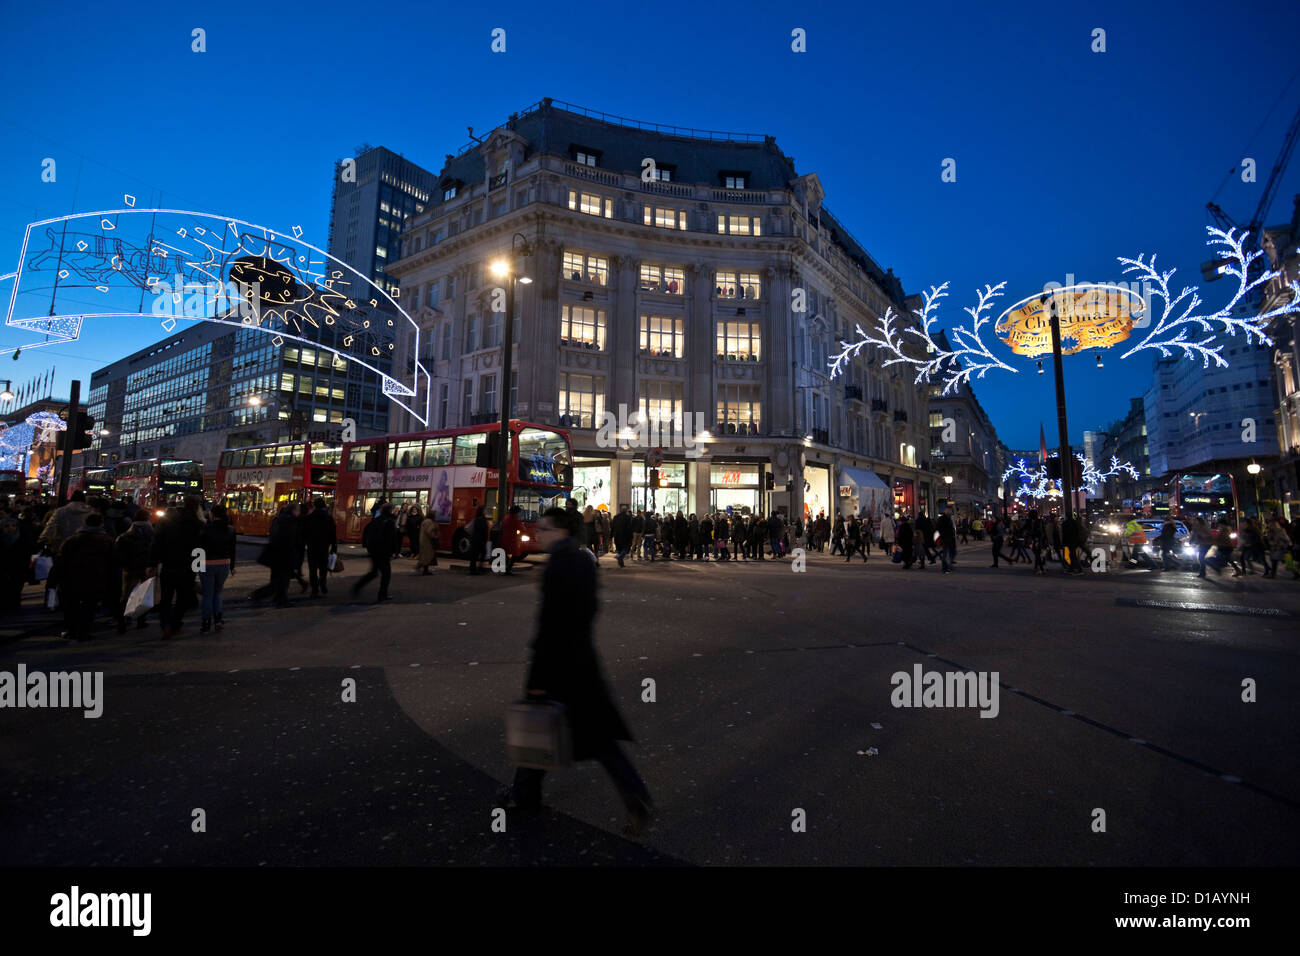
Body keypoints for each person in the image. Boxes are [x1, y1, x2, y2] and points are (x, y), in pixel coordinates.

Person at [498, 507, 653, 837]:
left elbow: (550, 624)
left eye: (545, 529)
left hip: (556, 667)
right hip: (583, 664)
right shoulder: (584, 560)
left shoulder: (558, 564)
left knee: (537, 731)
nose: (539, 534)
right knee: (599, 742)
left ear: (562, 531)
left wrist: (538, 679)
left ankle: (523, 796)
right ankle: (634, 794)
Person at [55, 512, 118, 642]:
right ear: (101, 524)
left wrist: (58, 578)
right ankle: (84, 631)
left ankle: (71, 630)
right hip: (96, 578)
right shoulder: (107, 541)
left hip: (72, 578)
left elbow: (61, 560)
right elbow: (113, 563)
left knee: (71, 606)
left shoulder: (72, 540)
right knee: (89, 607)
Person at [148, 495, 204, 639]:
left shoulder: (167, 521)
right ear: (197, 506)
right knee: (182, 598)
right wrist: (199, 568)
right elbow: (200, 548)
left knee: (166, 598)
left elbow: (157, 542)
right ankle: (176, 622)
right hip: (188, 567)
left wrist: (152, 563)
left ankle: (165, 624)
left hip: (169, 564)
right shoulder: (198, 523)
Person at [251, 502, 301, 608]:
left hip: (275, 555)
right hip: (284, 555)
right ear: (293, 510)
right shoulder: (291, 521)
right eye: (298, 510)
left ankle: (280, 599)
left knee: (278, 579)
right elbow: (290, 541)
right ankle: (258, 595)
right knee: (280, 581)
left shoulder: (278, 519)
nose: (299, 512)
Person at [197, 503, 237, 633]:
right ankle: (218, 619)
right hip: (224, 563)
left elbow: (199, 549)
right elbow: (232, 550)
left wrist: (195, 565)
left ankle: (206, 622)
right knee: (218, 593)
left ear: (212, 514)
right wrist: (232, 566)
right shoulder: (230, 530)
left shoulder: (205, 529)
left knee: (207, 594)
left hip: (207, 563)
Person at [114, 511, 155, 632]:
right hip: (146, 567)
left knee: (125, 594)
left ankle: (122, 621)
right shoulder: (152, 534)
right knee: (143, 594)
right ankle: (141, 620)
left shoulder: (125, 536)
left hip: (129, 567)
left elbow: (117, 552)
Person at [352, 503, 398, 601]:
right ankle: (382, 594)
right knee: (386, 574)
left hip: (375, 551)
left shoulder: (377, 520)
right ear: (390, 510)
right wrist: (392, 552)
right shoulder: (389, 521)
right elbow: (391, 539)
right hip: (383, 552)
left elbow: (371, 535)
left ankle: (357, 587)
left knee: (373, 572)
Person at [303, 497, 338, 595]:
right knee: (323, 568)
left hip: (312, 547)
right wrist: (334, 547)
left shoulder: (309, 518)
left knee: (313, 570)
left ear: (315, 505)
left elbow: (304, 533)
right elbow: (333, 534)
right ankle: (322, 583)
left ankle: (315, 589)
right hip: (324, 547)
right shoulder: (329, 518)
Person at [500, 505, 525, 574]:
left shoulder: (506, 517)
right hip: (513, 539)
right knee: (515, 555)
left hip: (505, 538)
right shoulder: (515, 519)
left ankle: (506, 568)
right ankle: (508, 569)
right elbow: (522, 528)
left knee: (506, 554)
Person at [468, 505, 490, 575]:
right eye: (485, 510)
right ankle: (476, 569)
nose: (486, 511)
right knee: (480, 553)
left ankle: (475, 569)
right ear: (482, 511)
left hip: (476, 539)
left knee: (476, 555)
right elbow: (483, 530)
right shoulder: (481, 519)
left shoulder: (477, 518)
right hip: (479, 539)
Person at [418, 508, 440, 574]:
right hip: (427, 541)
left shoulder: (425, 521)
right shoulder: (429, 522)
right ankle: (424, 569)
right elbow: (430, 531)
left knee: (425, 555)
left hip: (424, 540)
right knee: (427, 555)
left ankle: (424, 568)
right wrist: (435, 536)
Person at [936, 507, 957, 573]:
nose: (950, 512)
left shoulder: (949, 518)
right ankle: (945, 568)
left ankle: (948, 566)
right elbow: (939, 529)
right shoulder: (942, 519)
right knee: (946, 554)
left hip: (950, 539)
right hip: (946, 539)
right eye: (949, 511)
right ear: (946, 511)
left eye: (951, 511)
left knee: (952, 553)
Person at [612, 503, 633, 568]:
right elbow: (629, 527)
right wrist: (631, 536)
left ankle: (621, 562)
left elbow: (613, 526)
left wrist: (612, 535)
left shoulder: (615, 517)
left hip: (617, 536)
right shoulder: (628, 518)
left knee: (620, 549)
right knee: (626, 548)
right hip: (625, 536)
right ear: (626, 510)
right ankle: (620, 557)